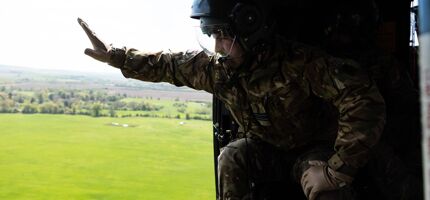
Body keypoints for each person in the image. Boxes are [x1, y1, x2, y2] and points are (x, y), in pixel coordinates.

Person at [78, 0, 386, 199]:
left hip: (312, 152)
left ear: (250, 29)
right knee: (231, 155)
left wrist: (336, 170)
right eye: (211, 34)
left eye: (223, 35)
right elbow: (169, 64)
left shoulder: (299, 63)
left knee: (333, 194)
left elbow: (360, 96)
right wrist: (116, 57)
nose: (217, 45)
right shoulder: (218, 69)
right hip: (264, 150)